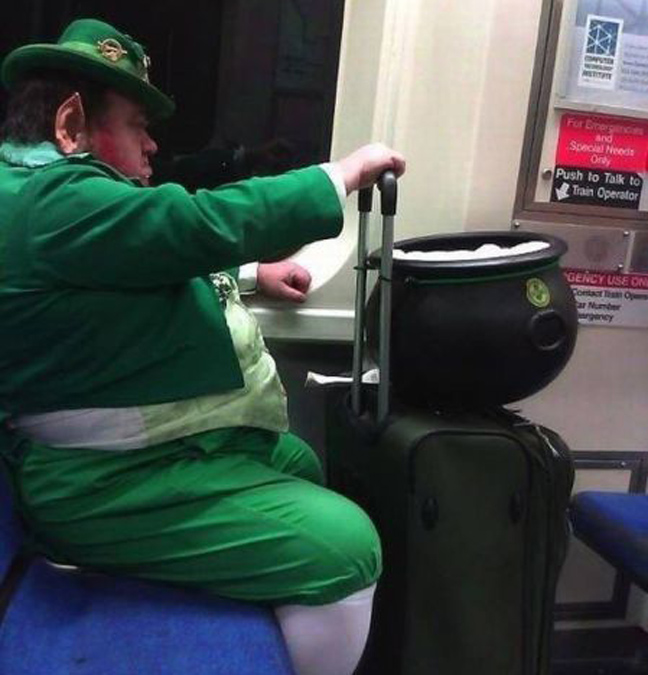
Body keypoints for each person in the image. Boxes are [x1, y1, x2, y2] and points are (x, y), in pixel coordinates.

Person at [0, 18, 405, 675]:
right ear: (72, 124)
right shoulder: (51, 200)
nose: (152, 144)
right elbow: (189, 225)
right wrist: (338, 176)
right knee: (350, 548)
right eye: (137, 125)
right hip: (99, 479)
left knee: (297, 460)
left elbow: (134, 256)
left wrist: (251, 274)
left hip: (140, 455)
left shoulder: (45, 200)